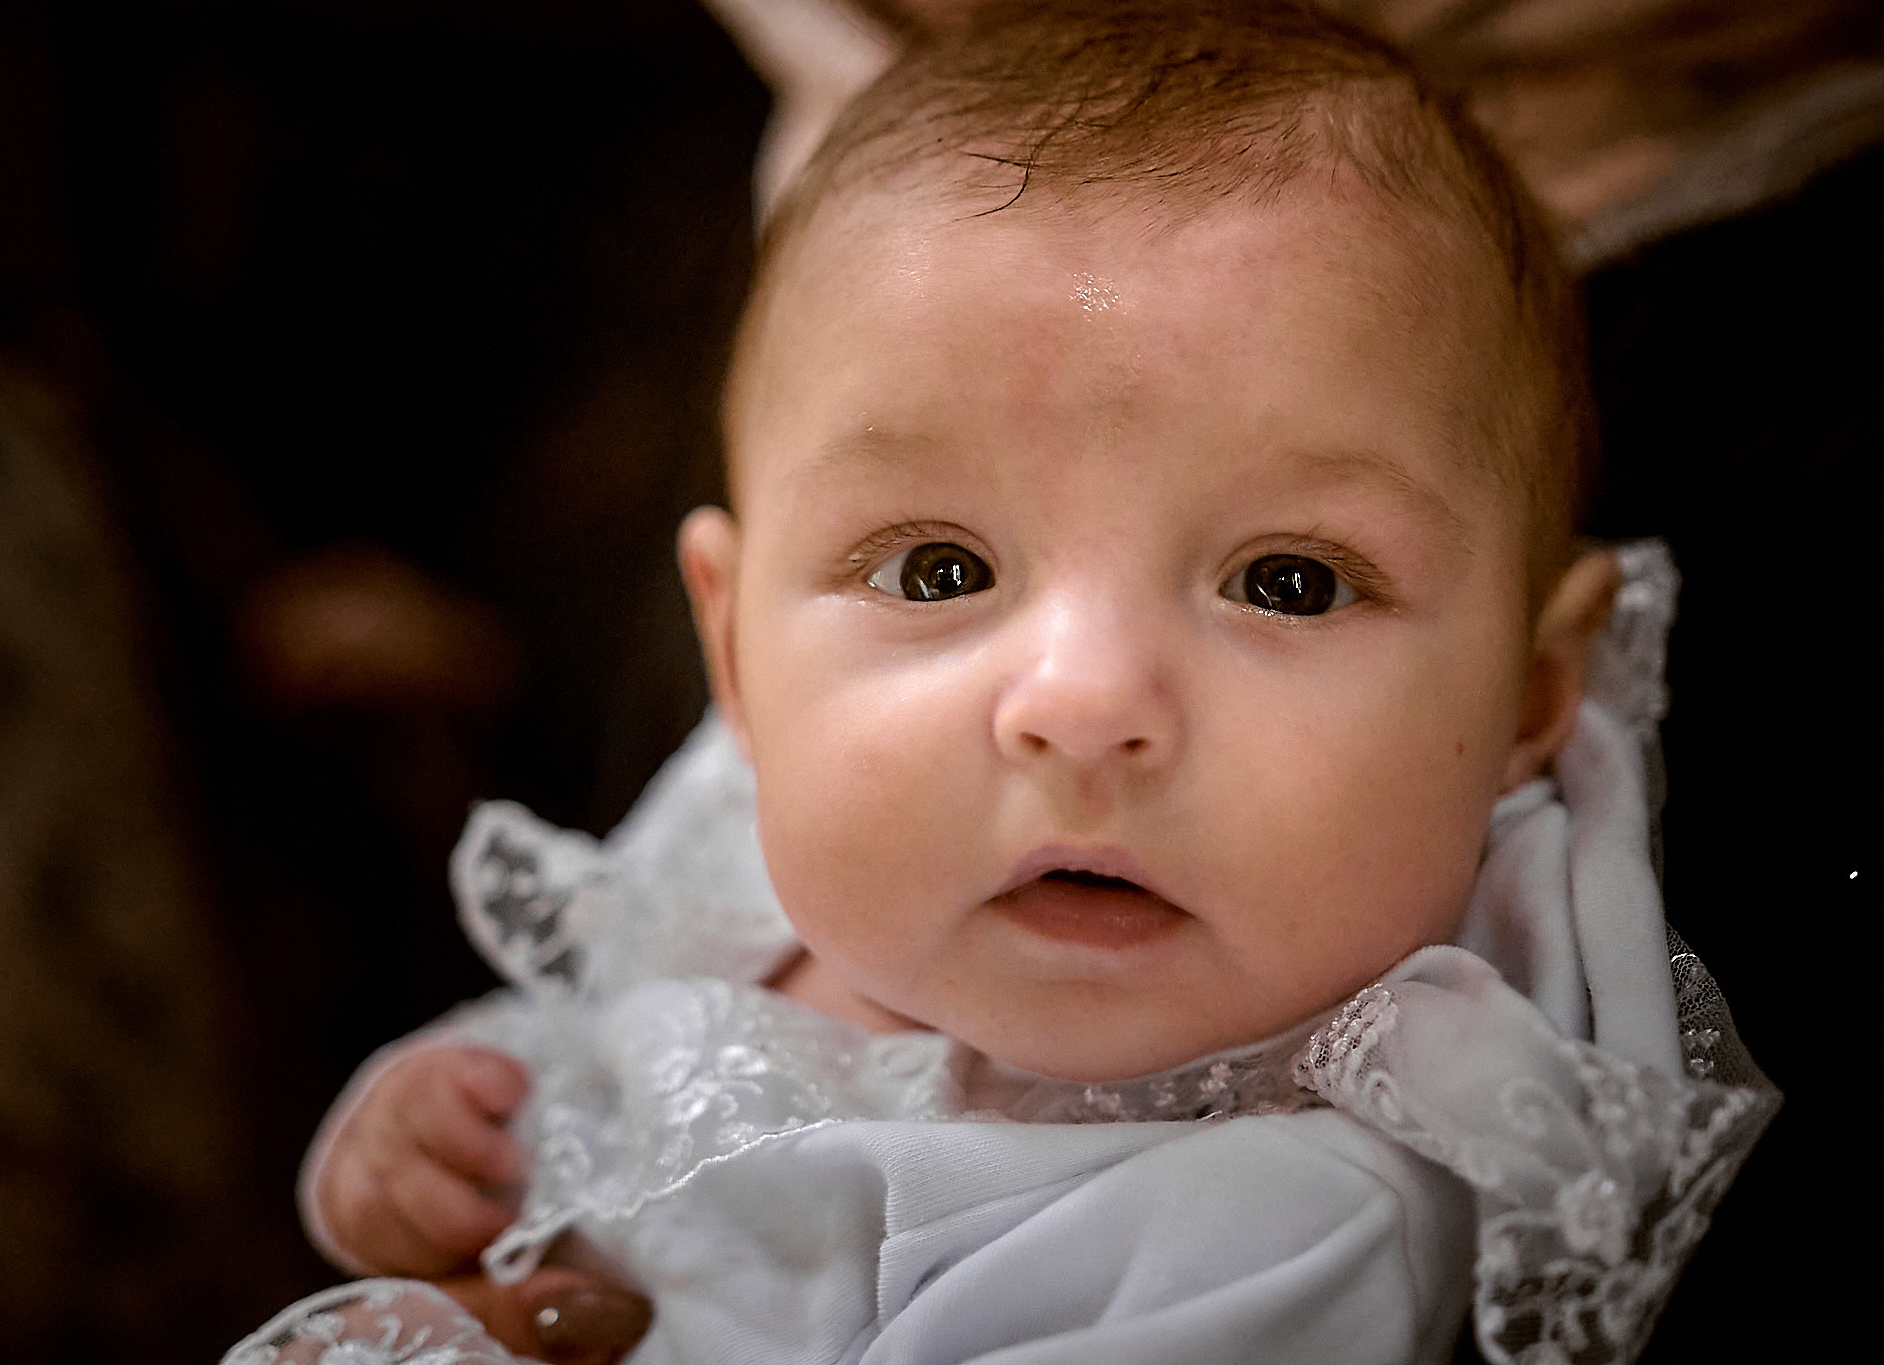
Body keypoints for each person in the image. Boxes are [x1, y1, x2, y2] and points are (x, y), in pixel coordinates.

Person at [225, 4, 1776, 1362]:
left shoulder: (1275, 1220)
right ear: (737, 651)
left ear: (1526, 697)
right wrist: (428, 1133)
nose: (1082, 703)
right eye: (940, 571)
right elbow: (588, 1024)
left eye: (1288, 580)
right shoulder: (763, 834)